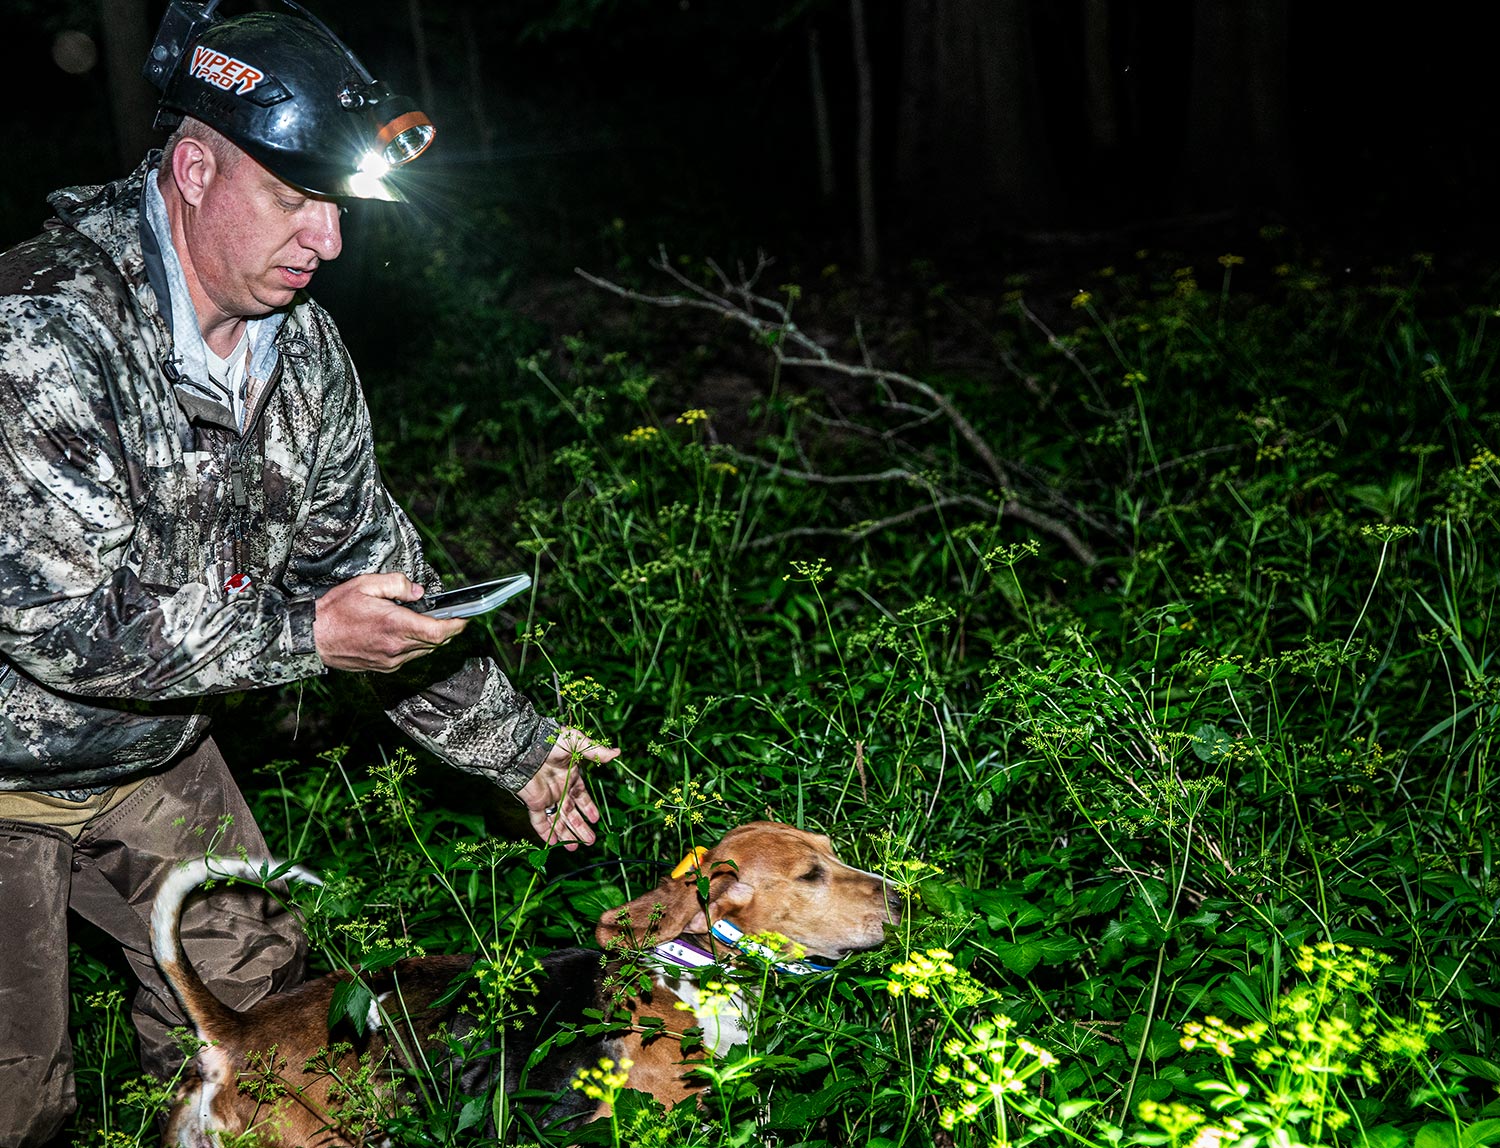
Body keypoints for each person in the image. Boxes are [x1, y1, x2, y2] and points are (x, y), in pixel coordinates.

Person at [0, 6, 614, 1144]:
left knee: (275, 1030)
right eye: (296, 200)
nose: (328, 241)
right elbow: (60, 622)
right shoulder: (41, 330)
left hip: (148, 750)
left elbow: (369, 572)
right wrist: (306, 636)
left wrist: (519, 750)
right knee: (18, 1100)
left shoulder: (304, 354)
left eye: (339, 207)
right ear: (194, 171)